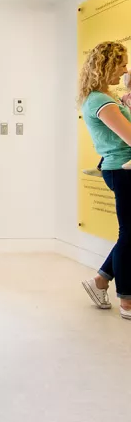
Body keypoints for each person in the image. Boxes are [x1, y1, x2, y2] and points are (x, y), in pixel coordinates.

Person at [79, 41, 131, 318]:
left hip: (120, 169)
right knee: (129, 235)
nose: (125, 69)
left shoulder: (100, 98)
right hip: (124, 171)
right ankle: (127, 300)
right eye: (121, 63)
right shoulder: (101, 101)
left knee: (130, 235)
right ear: (107, 65)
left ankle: (100, 281)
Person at [83, 72, 131, 176]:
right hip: (117, 165)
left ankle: (100, 168)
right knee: (113, 143)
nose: (124, 72)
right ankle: (99, 167)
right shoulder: (123, 96)